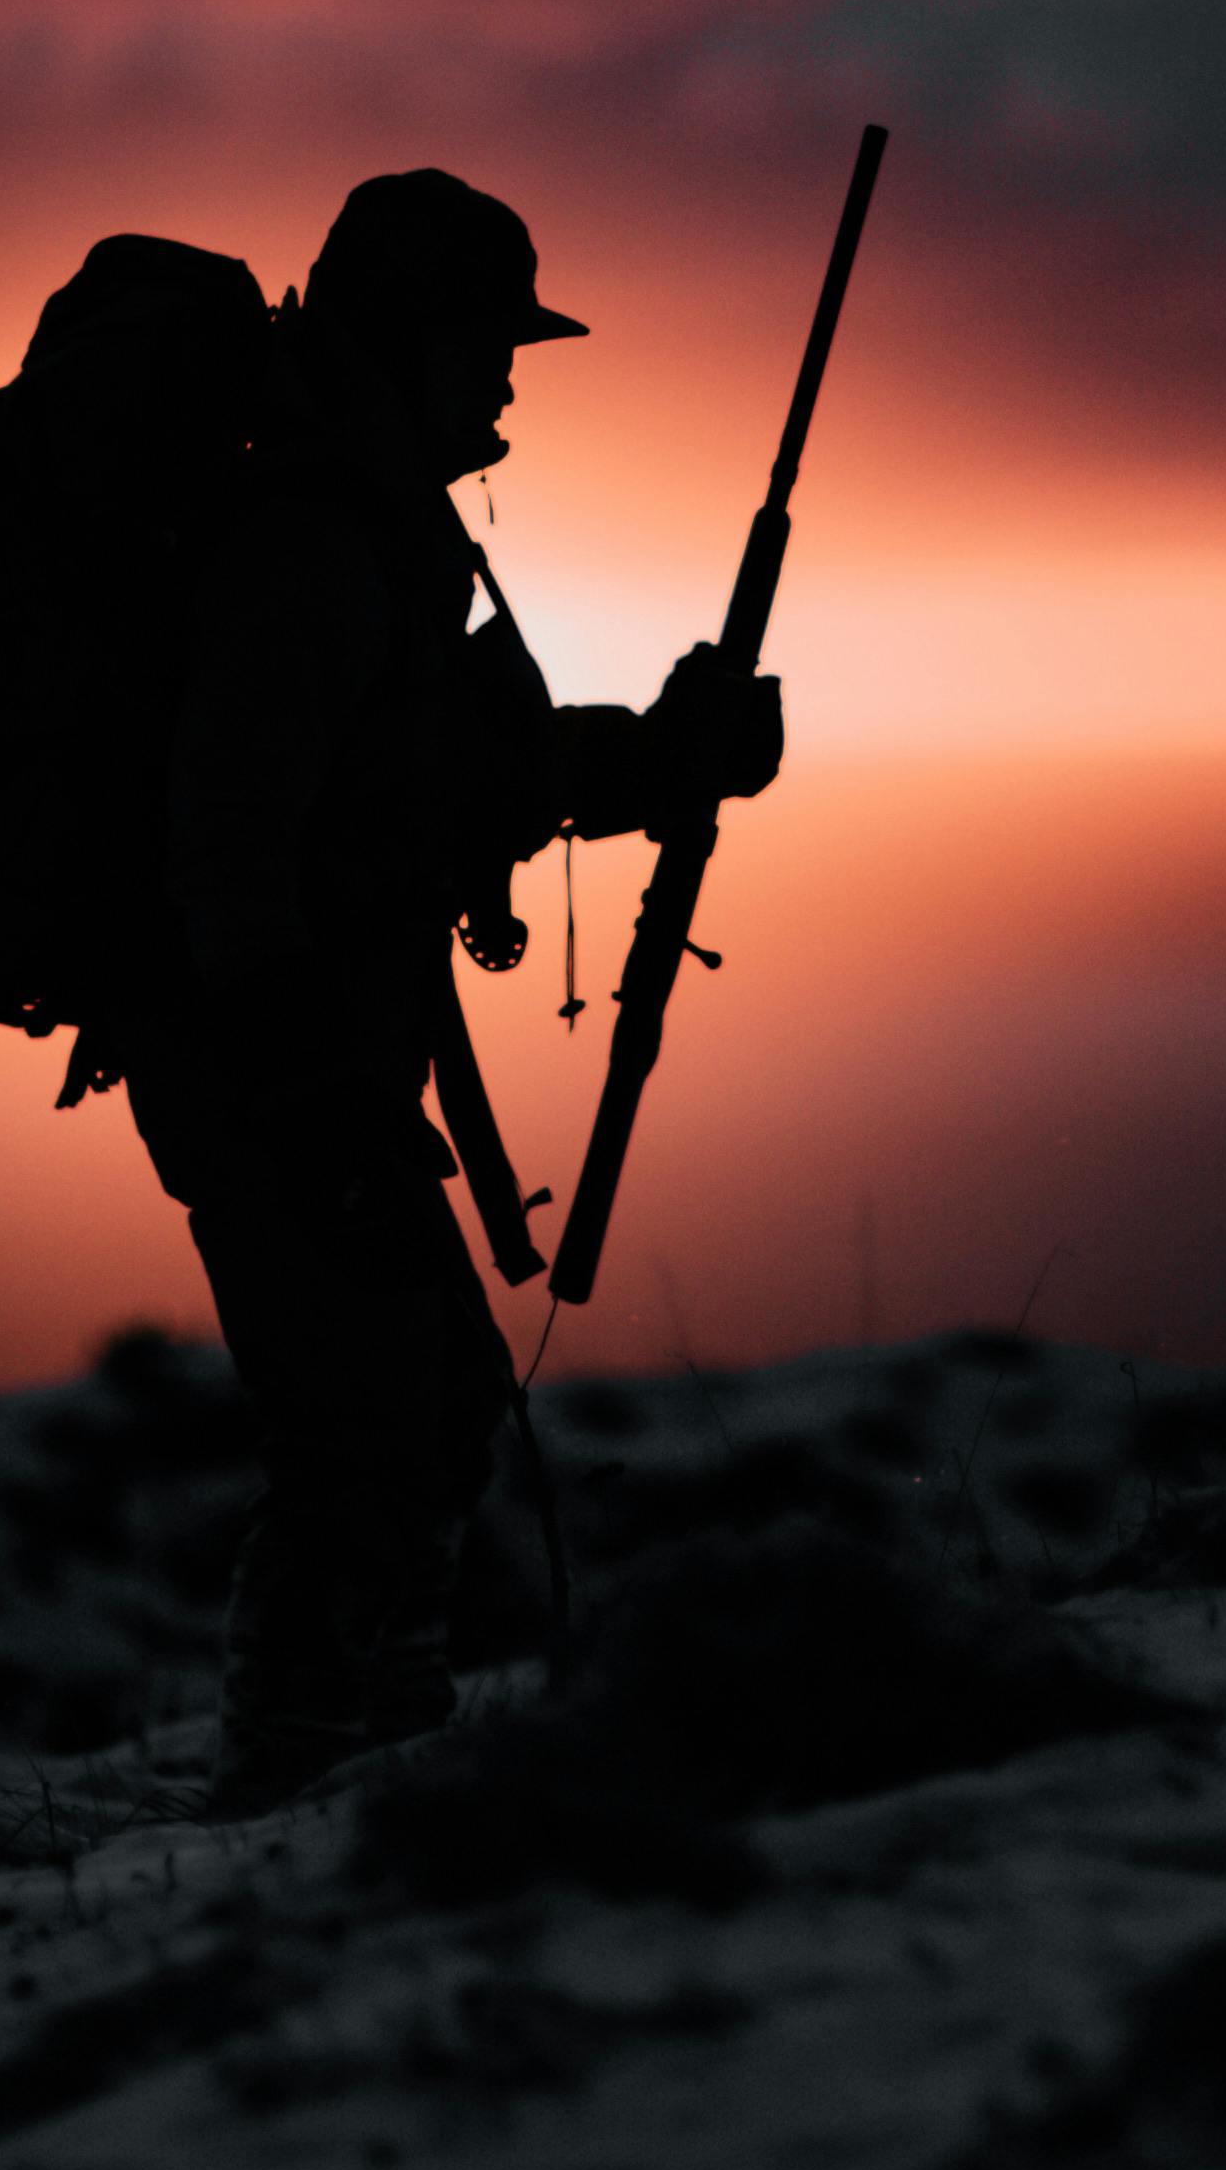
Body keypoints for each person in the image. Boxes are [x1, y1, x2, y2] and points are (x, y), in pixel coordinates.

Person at [128, 169, 780, 1811]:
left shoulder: (370, 530)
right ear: (406, 342)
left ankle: (370, 1754)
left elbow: (437, 786)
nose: (505, 382)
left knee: (433, 1409)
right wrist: (310, 1095)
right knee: (365, 1441)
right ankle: (292, 1790)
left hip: (316, 1068)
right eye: (489, 345)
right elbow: (229, 837)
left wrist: (658, 754)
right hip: (277, 1072)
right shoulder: (313, 551)